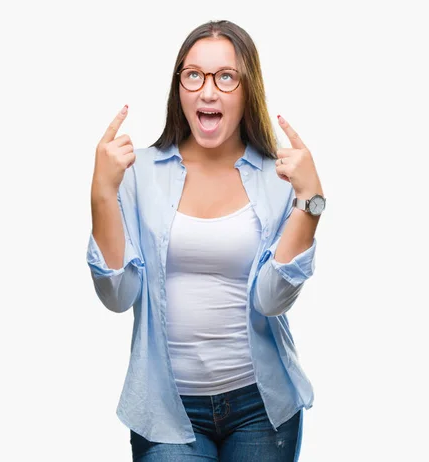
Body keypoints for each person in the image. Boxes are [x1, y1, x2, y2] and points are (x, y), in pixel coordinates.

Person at [88, 19, 326, 462]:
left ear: (246, 88)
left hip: (261, 408)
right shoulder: (136, 174)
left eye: (225, 76)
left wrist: (310, 202)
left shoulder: (279, 179)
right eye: (193, 75)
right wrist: (102, 192)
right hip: (166, 407)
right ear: (179, 86)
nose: (208, 91)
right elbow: (118, 295)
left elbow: (273, 299)